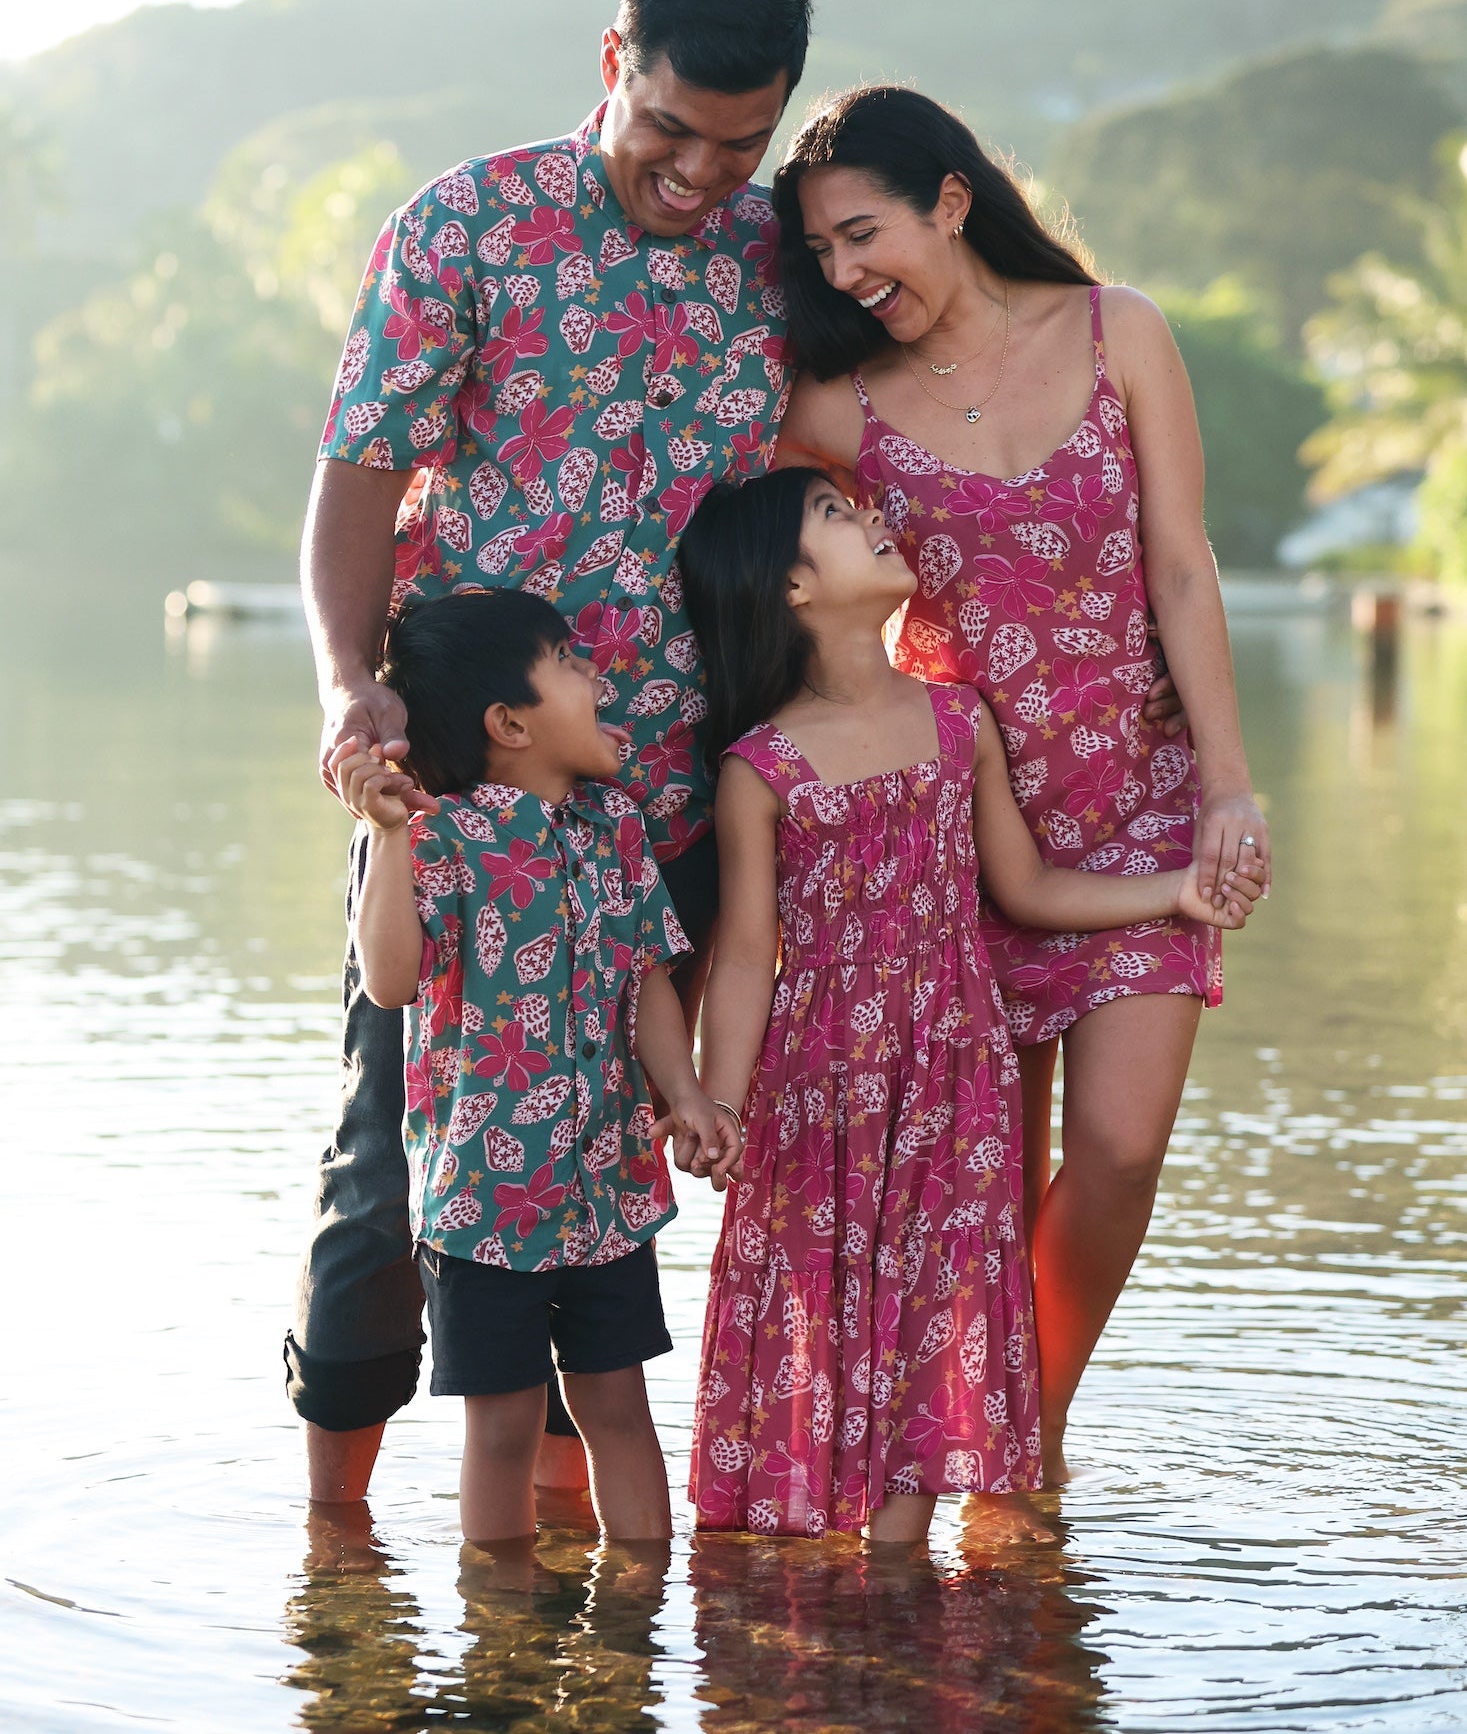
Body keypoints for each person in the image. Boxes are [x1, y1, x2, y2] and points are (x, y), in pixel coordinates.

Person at [287, 0, 811, 1505]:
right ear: (612, 66)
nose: (698, 173)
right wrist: (347, 685)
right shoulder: (467, 227)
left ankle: (573, 1546)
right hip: (462, 795)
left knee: (615, 1168)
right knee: (395, 1164)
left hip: (677, 801)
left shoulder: (777, 253)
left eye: (741, 144)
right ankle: (337, 1552)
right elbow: (358, 486)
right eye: (669, 129)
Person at [772, 86, 1272, 1484]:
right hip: (955, 833)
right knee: (982, 1189)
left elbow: (1179, 563)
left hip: (1143, 807)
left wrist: (1228, 789)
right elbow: (738, 545)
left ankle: (1018, 1431)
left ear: (947, 198)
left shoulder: (1119, 331)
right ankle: (980, 1454)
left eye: (859, 232)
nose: (844, 273)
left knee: (1112, 1156)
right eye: (816, 255)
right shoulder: (834, 405)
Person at [672, 469, 1261, 1541]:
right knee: (816, 1302)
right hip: (818, 1091)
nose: (872, 518)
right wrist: (720, 1098)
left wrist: (1171, 892)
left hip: (954, 1077)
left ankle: (899, 1577)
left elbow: (1026, 888)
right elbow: (749, 954)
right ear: (792, 588)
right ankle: (789, 1563)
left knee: (934, 1304)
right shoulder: (758, 770)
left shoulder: (957, 720)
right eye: (836, 518)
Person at [332, 587, 740, 1572]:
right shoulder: (438, 836)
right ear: (509, 723)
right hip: (483, 1200)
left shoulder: (617, 827)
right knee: (505, 1422)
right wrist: (387, 838)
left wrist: (683, 1094)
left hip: (607, 1186)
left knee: (618, 1402)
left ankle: (642, 1615)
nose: (597, 676)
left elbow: (648, 975)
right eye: (570, 662)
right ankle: (500, 1634)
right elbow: (388, 981)